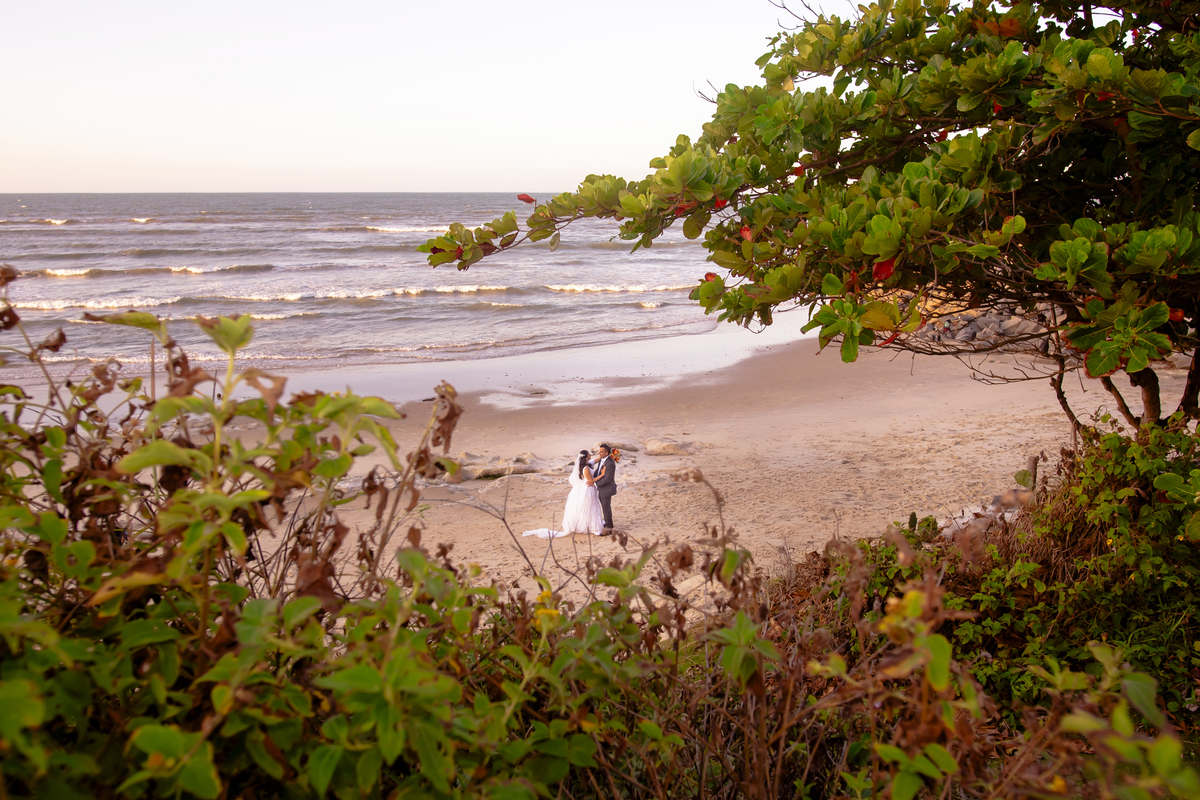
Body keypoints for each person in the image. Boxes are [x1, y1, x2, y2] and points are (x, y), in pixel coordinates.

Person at [562, 449, 605, 535]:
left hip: (588, 488)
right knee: (590, 508)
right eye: (589, 455)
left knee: (591, 507)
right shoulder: (586, 469)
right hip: (588, 489)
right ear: (585, 458)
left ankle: (589, 525)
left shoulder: (588, 464)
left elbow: (597, 459)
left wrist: (605, 454)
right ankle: (591, 527)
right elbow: (591, 481)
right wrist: (602, 475)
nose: (590, 455)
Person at [591, 443, 617, 534]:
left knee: (606, 508)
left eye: (601, 452)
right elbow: (598, 472)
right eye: (599, 451)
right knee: (604, 507)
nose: (599, 453)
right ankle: (608, 524)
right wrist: (591, 477)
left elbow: (607, 479)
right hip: (602, 488)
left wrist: (595, 483)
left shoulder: (610, 464)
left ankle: (609, 527)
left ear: (606, 453)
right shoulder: (602, 460)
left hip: (607, 488)